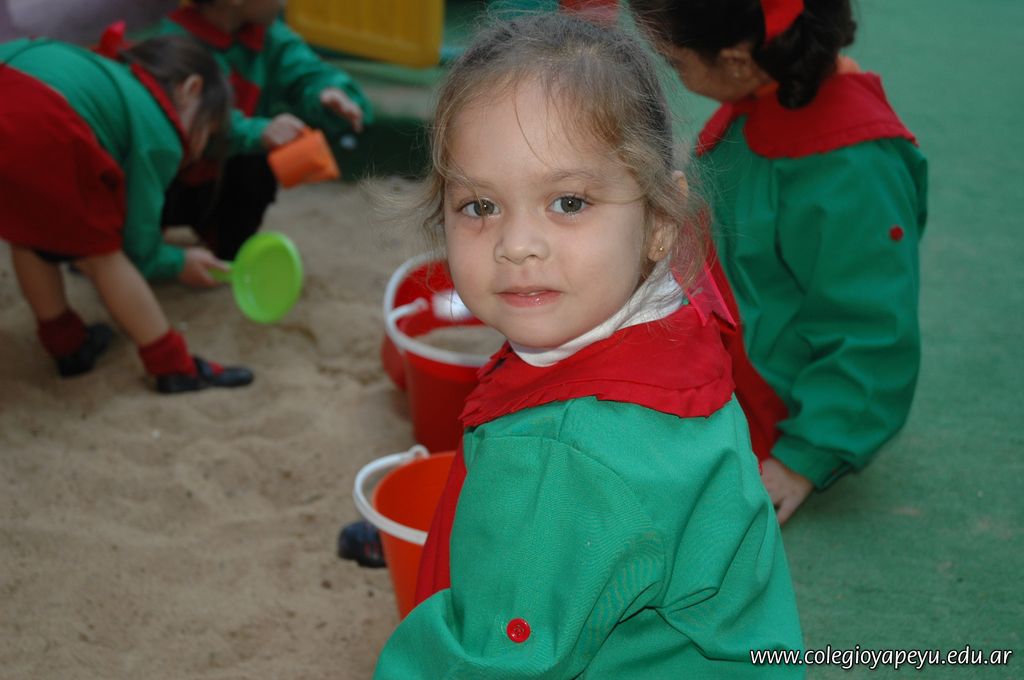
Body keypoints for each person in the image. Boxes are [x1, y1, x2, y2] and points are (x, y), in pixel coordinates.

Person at [373, 14, 803, 678]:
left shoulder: (562, 459)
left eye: (569, 202)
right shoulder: (674, 333)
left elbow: (492, 665)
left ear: (659, 221)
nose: (517, 245)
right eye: (480, 206)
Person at [630, 0, 928, 523]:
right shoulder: (769, 92)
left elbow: (873, 331)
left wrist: (804, 456)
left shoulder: (854, 169)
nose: (672, 73)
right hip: (721, 339)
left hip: (767, 402)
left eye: (676, 63)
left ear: (736, 60)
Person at [0, 34, 253, 393]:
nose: (198, 151)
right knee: (102, 254)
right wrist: (177, 262)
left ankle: (67, 343)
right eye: (206, 132)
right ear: (190, 90)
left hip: (12, 68)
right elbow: (137, 242)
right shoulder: (159, 131)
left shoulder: (113, 77)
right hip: (42, 120)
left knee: (30, 233)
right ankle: (171, 366)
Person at [156, 0, 373, 260]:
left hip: (218, 179)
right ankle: (148, 246)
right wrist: (259, 131)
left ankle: (224, 247)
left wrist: (327, 91)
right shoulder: (175, 42)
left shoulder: (266, 34)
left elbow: (305, 68)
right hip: (168, 181)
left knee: (258, 165)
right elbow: (192, 125)